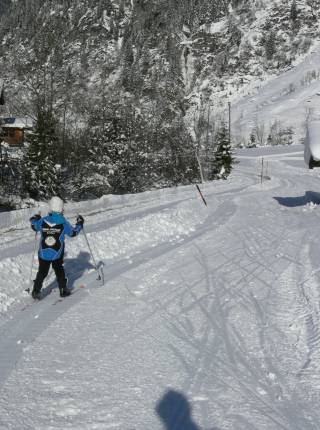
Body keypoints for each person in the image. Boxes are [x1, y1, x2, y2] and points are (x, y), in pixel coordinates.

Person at [29, 196, 84, 299]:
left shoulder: (43, 220)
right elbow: (73, 233)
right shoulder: (63, 223)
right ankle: (63, 289)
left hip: (43, 252)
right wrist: (80, 223)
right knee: (59, 269)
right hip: (57, 252)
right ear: (61, 208)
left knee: (42, 271)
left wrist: (35, 218)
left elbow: (34, 226)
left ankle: (36, 291)